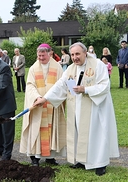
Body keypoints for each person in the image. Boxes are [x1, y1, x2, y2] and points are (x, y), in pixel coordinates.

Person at [33, 42, 119, 176]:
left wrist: (85, 89)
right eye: (72, 54)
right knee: (78, 132)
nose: (75, 57)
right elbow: (60, 85)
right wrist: (45, 98)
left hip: (96, 108)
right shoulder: (71, 69)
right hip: (77, 107)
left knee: (96, 135)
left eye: (77, 54)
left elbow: (104, 86)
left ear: (85, 53)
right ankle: (81, 160)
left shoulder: (98, 65)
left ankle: (100, 164)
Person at [19, 43, 66, 167]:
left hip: (52, 105)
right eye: (39, 55)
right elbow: (30, 85)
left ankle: (50, 157)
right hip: (37, 106)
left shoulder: (58, 68)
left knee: (51, 131)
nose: (40, 58)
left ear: (49, 53)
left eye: (43, 55)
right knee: (36, 131)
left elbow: (62, 86)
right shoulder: (34, 68)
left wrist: (48, 98)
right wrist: (37, 97)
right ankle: (35, 157)